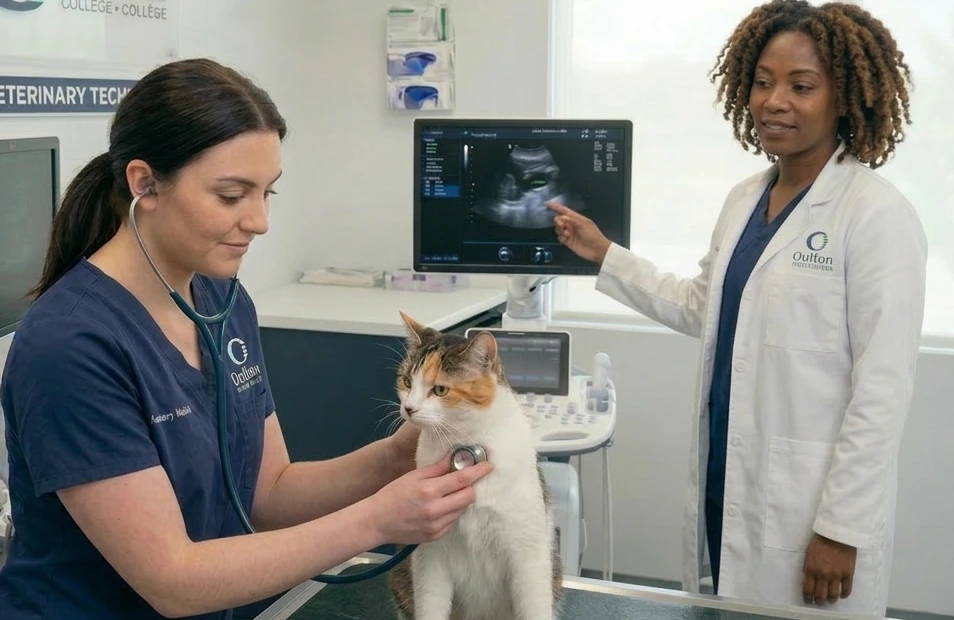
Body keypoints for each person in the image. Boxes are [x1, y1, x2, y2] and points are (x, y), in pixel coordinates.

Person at [0, 58, 492, 620]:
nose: (259, 221)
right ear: (144, 184)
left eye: (268, 194)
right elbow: (174, 580)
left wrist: (396, 457)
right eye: (232, 196)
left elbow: (270, 493)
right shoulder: (70, 346)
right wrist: (379, 519)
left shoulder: (221, 301)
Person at [548, 0, 926, 616]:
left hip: (810, 504)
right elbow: (706, 308)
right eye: (763, 81)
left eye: (802, 86)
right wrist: (606, 255)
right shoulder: (745, 199)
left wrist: (842, 528)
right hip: (730, 478)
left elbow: (882, 390)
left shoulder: (875, 215)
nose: (775, 100)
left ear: (846, 99)